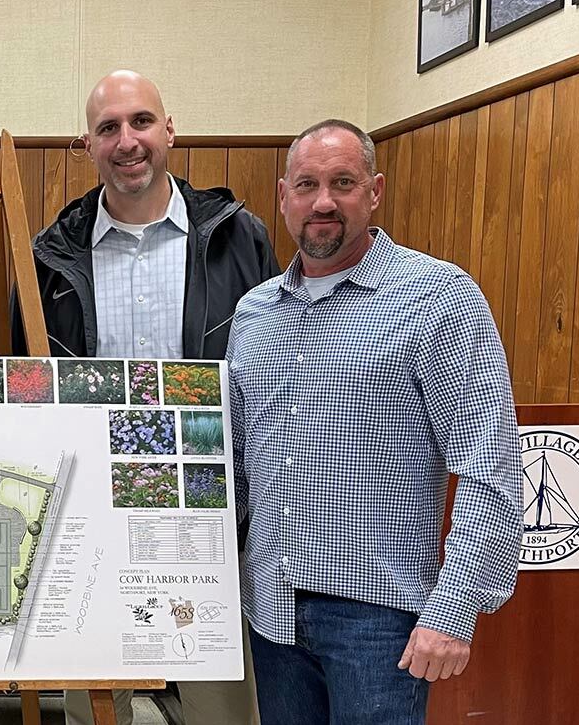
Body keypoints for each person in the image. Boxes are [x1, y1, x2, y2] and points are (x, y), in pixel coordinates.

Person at [226, 119, 521, 725]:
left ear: (376, 191)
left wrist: (455, 609)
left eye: (343, 183)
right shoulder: (253, 314)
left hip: (378, 624)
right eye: (306, 185)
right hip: (271, 613)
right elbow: (236, 469)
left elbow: (491, 466)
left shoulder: (439, 298)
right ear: (283, 197)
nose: (323, 201)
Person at [13, 70, 278, 725]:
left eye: (139, 122)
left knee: (222, 712)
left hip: (212, 519)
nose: (126, 141)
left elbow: (272, 378)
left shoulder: (240, 239)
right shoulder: (48, 258)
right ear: (87, 145)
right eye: (108, 128)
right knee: (94, 712)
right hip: (93, 515)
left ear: (169, 131)